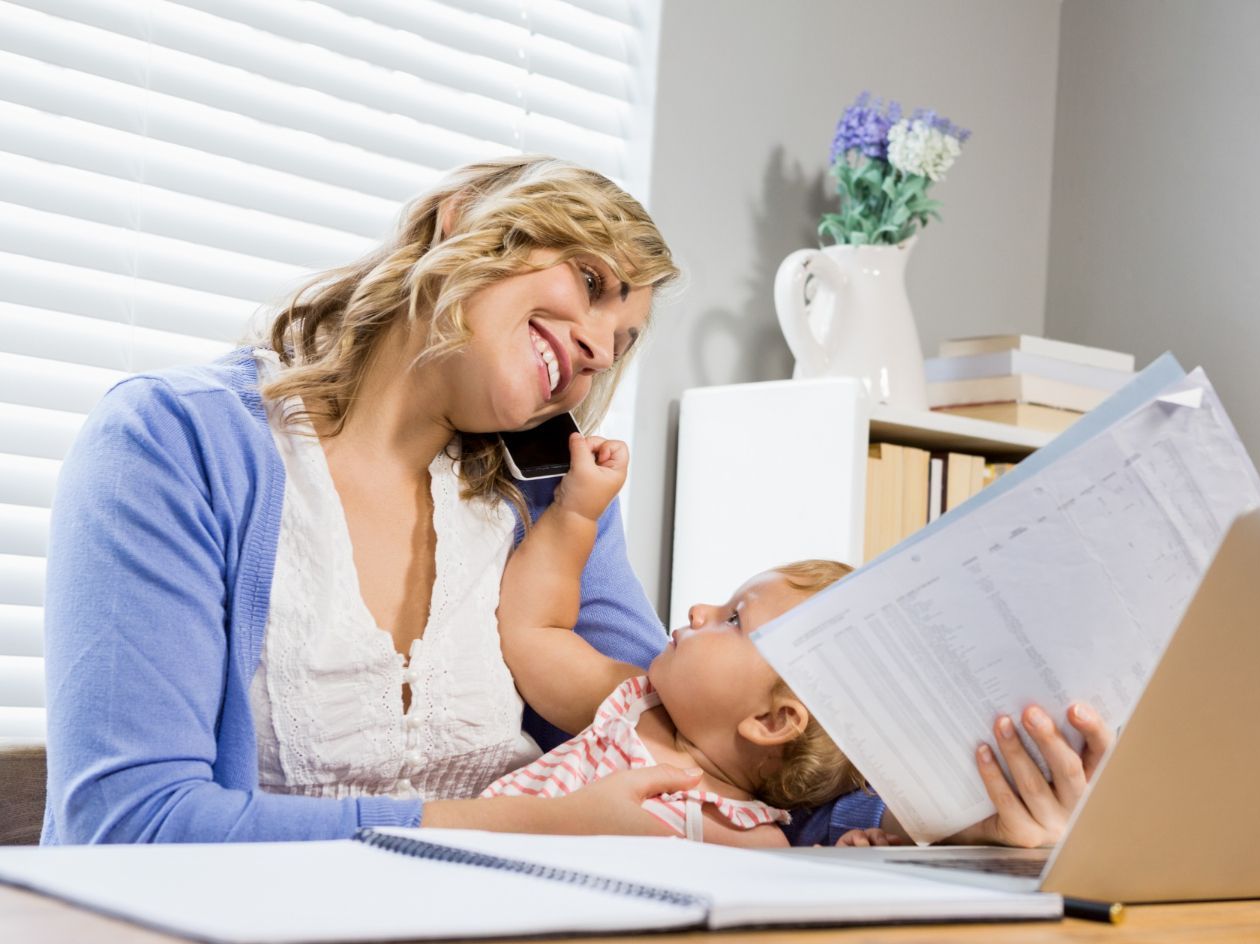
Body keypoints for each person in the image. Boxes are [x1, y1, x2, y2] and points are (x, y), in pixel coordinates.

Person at [42, 154, 1108, 847]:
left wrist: (966, 816)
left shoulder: (545, 490)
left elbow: (719, 744)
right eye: (592, 285)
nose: (599, 345)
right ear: (465, 220)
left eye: (623, 342)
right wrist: (529, 825)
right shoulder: (176, 446)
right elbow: (130, 828)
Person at [482, 431, 863, 846]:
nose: (699, 610)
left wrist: (846, 859)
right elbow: (533, 629)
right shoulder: (629, 703)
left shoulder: (750, 841)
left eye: (734, 619)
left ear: (771, 722)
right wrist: (575, 511)